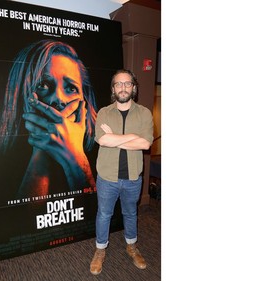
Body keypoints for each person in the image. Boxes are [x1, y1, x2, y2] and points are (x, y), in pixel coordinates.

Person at [0, 39, 97, 198]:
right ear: (21, 96)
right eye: (42, 85)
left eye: (71, 88)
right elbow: (21, 220)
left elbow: (96, 215)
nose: (58, 98)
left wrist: (76, 158)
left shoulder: (101, 150)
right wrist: (42, 149)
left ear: (84, 100)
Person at [90, 69, 154, 275]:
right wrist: (131, 137)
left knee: (130, 213)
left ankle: (131, 246)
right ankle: (100, 250)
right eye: (118, 84)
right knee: (104, 215)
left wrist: (116, 138)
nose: (123, 87)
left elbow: (145, 144)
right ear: (113, 88)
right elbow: (102, 140)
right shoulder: (103, 113)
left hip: (133, 178)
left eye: (127, 83)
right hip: (107, 177)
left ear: (133, 88)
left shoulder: (144, 113)